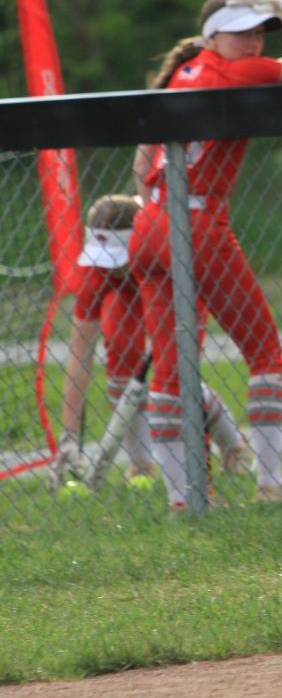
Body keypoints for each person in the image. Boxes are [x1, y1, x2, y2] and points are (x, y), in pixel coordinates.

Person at [128, 0, 282, 508]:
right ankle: (270, 484)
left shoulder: (182, 71)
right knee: (264, 351)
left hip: (150, 221)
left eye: (259, 31)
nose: (253, 42)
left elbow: (140, 161)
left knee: (173, 369)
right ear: (212, 35)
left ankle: (184, 498)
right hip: (197, 222)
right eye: (241, 31)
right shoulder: (237, 70)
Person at [50, 194, 253, 491]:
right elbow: (80, 355)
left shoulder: (169, 243)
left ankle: (233, 444)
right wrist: (68, 436)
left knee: (176, 376)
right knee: (120, 352)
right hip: (128, 295)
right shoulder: (97, 273)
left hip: (172, 282)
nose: (112, 268)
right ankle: (140, 464)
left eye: (118, 259)